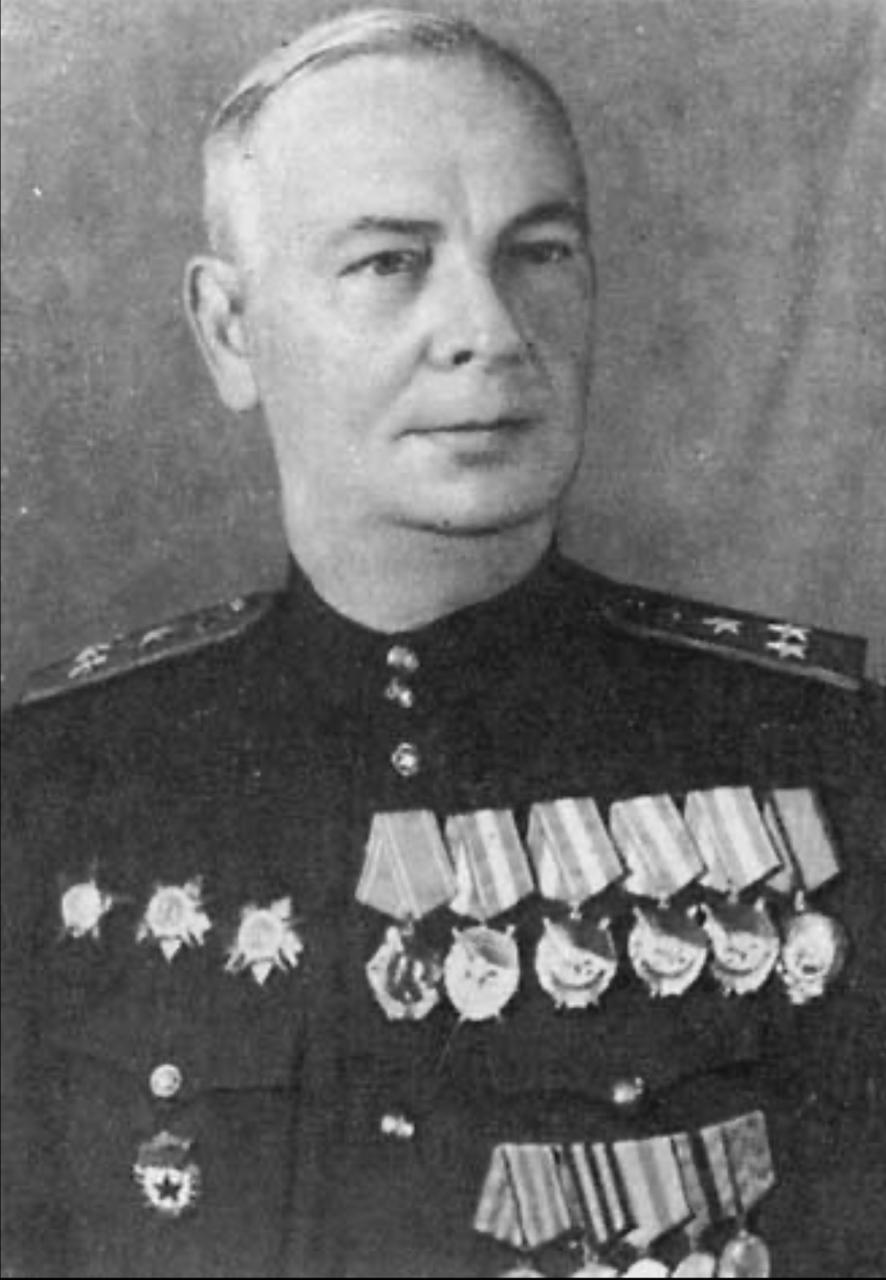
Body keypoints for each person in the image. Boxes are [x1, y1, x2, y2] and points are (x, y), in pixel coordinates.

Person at [2, 8, 883, 1278]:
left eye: (539, 252)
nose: (491, 328)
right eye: (389, 262)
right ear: (232, 331)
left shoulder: (830, 758)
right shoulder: (54, 784)